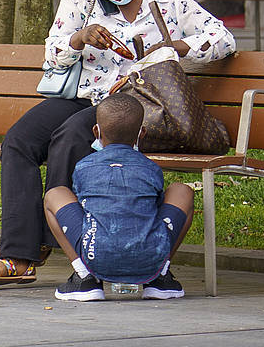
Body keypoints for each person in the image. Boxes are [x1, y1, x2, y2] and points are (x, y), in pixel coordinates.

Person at [0, 0, 234, 289]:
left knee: (71, 136)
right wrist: (79, 39)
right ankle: (22, 252)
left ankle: (47, 247)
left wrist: (175, 48)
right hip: (86, 96)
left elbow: (223, 38)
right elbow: (53, 54)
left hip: (137, 107)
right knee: (19, 140)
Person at [43, 93, 195, 301]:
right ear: (141, 134)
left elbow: (83, 206)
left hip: (95, 255)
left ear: (96, 131)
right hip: (150, 255)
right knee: (182, 190)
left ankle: (84, 277)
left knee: (54, 194)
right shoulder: (150, 168)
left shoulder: (84, 167)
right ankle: (159, 275)